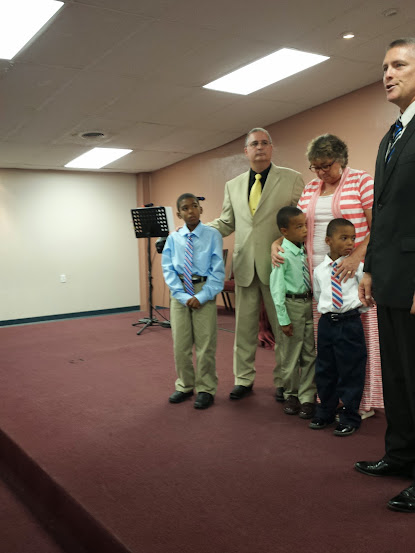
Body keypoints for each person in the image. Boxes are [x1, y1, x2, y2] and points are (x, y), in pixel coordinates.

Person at [272, 134, 383, 417]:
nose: (321, 172)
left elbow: (379, 226)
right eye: (315, 166)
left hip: (353, 276)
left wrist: (356, 257)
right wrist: (276, 243)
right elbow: (295, 226)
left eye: (326, 165)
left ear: (341, 160)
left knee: (356, 347)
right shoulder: (310, 188)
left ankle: (360, 403)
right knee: (327, 348)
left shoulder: (361, 181)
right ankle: (330, 399)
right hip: (319, 277)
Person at [354, 38, 415, 512]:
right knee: (396, 377)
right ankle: (400, 456)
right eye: (384, 67)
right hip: (390, 276)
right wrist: (370, 267)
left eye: (399, 65)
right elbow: (383, 212)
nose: (387, 74)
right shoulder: (390, 136)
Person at [208, 128, 304, 400]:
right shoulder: (233, 185)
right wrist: (198, 231)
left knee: (283, 327)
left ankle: (285, 381)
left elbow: (301, 221)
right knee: (244, 329)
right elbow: (227, 222)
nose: (259, 147)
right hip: (245, 267)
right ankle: (243, 379)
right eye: (254, 144)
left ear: (271, 148)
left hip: (279, 265)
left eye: (264, 143)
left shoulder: (292, 179)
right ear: (246, 151)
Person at [162, 193, 225, 410]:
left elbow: (218, 270)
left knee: (205, 344)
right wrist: (182, 295)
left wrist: (202, 296)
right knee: (181, 344)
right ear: (179, 214)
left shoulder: (212, 235)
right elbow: (168, 269)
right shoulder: (173, 239)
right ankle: (185, 385)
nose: (191, 211)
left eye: (195, 206)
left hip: (203, 290)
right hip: (179, 293)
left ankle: (206, 388)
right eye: (186, 208)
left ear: (201, 209)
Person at [311, 218, 367, 436]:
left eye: (352, 238)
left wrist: (353, 311)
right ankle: (325, 411)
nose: (350, 243)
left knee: (351, 371)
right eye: (344, 238)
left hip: (350, 323)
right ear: (328, 240)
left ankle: (350, 417)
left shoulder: (358, 268)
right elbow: (319, 295)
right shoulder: (319, 271)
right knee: (325, 369)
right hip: (327, 324)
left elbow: (365, 294)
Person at [270, 206, 316, 418]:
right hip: (291, 306)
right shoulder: (281, 254)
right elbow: (277, 289)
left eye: (305, 225)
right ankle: (291, 394)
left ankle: (307, 397)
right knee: (290, 353)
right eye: (299, 227)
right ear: (284, 231)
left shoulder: (304, 250)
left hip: (308, 304)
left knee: (309, 353)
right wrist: (283, 319)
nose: (305, 230)